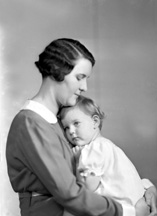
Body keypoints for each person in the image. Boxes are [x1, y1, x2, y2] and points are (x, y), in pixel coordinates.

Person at [5, 38, 156, 216]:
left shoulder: (59, 124)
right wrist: (130, 211)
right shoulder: (32, 124)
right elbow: (70, 193)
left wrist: (147, 188)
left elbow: (110, 171)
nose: (84, 87)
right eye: (80, 77)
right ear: (56, 72)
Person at [59, 95, 157, 216]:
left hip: (124, 210)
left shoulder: (92, 149)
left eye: (76, 123)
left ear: (95, 121)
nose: (71, 131)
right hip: (136, 205)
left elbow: (87, 187)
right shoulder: (107, 145)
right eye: (66, 127)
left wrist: (78, 160)